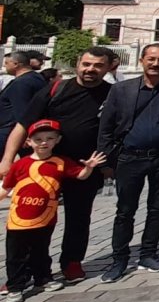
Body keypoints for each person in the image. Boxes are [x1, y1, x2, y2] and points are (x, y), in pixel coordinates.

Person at [0, 48, 112, 284]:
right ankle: (28, 270)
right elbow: (22, 125)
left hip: (83, 168)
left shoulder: (112, 94)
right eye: (87, 64)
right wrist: (7, 159)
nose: (91, 69)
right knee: (33, 218)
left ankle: (72, 262)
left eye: (98, 65)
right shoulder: (55, 89)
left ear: (109, 67)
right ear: (77, 63)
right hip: (45, 166)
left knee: (79, 218)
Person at [96, 43, 159, 282]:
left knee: (157, 208)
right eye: (151, 58)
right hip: (130, 157)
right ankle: (119, 259)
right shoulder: (122, 89)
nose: (156, 63)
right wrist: (106, 159)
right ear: (142, 60)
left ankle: (149, 253)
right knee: (125, 210)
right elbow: (106, 126)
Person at [1, 120, 106, 302]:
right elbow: (6, 188)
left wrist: (89, 167)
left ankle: (43, 279)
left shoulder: (61, 162)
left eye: (50, 138)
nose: (44, 142)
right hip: (18, 221)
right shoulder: (21, 165)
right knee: (15, 256)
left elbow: (80, 175)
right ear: (29, 142)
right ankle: (14, 287)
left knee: (41, 252)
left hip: (45, 219)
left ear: (57, 140)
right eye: (38, 139)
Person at [0, 51, 45, 157]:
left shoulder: (22, 83)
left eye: (7, 63)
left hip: (11, 131)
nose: (4, 66)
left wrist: (25, 135)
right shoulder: (35, 78)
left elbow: (22, 111)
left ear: (16, 64)